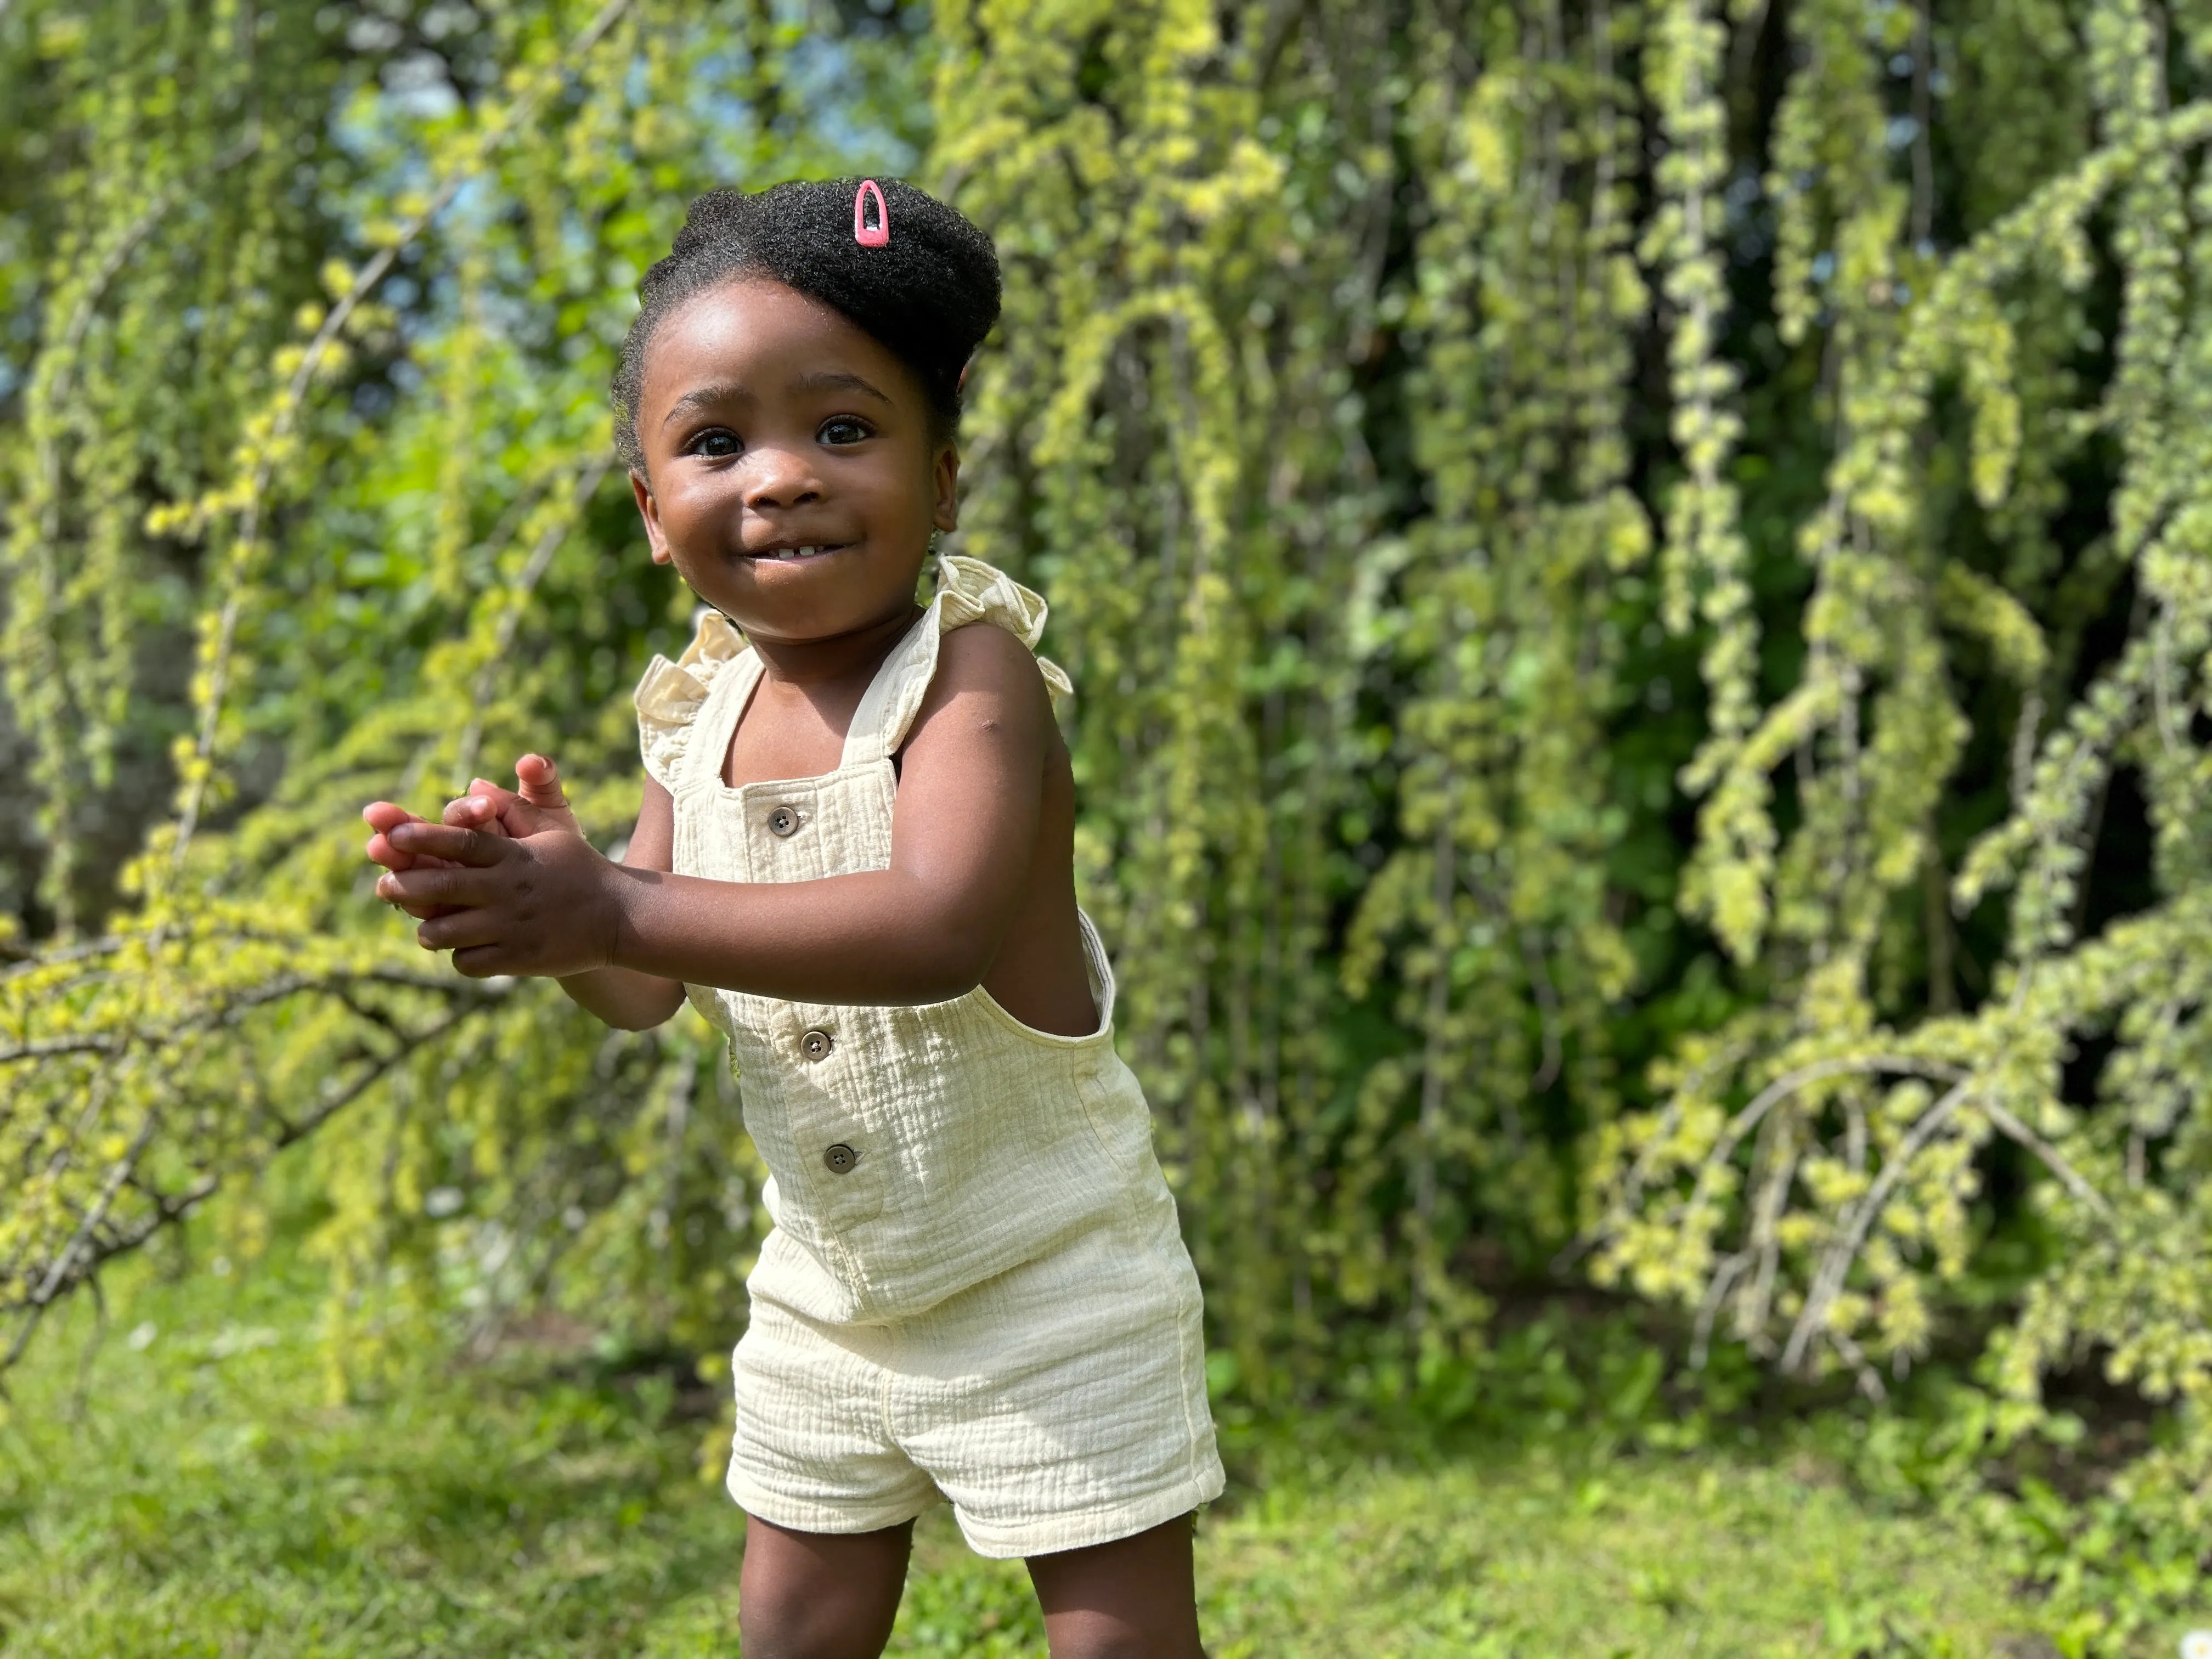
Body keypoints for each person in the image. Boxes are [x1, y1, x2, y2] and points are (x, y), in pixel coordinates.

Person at [360, 177, 1222, 1659]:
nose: (779, 478)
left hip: (1052, 1276)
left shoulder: (972, 684)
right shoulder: (693, 717)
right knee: (794, 1633)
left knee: (1118, 1641)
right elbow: (643, 984)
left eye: (843, 429)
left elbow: (932, 924)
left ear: (941, 482)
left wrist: (616, 902)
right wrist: (554, 913)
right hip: (826, 1290)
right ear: (650, 512)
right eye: (714, 442)